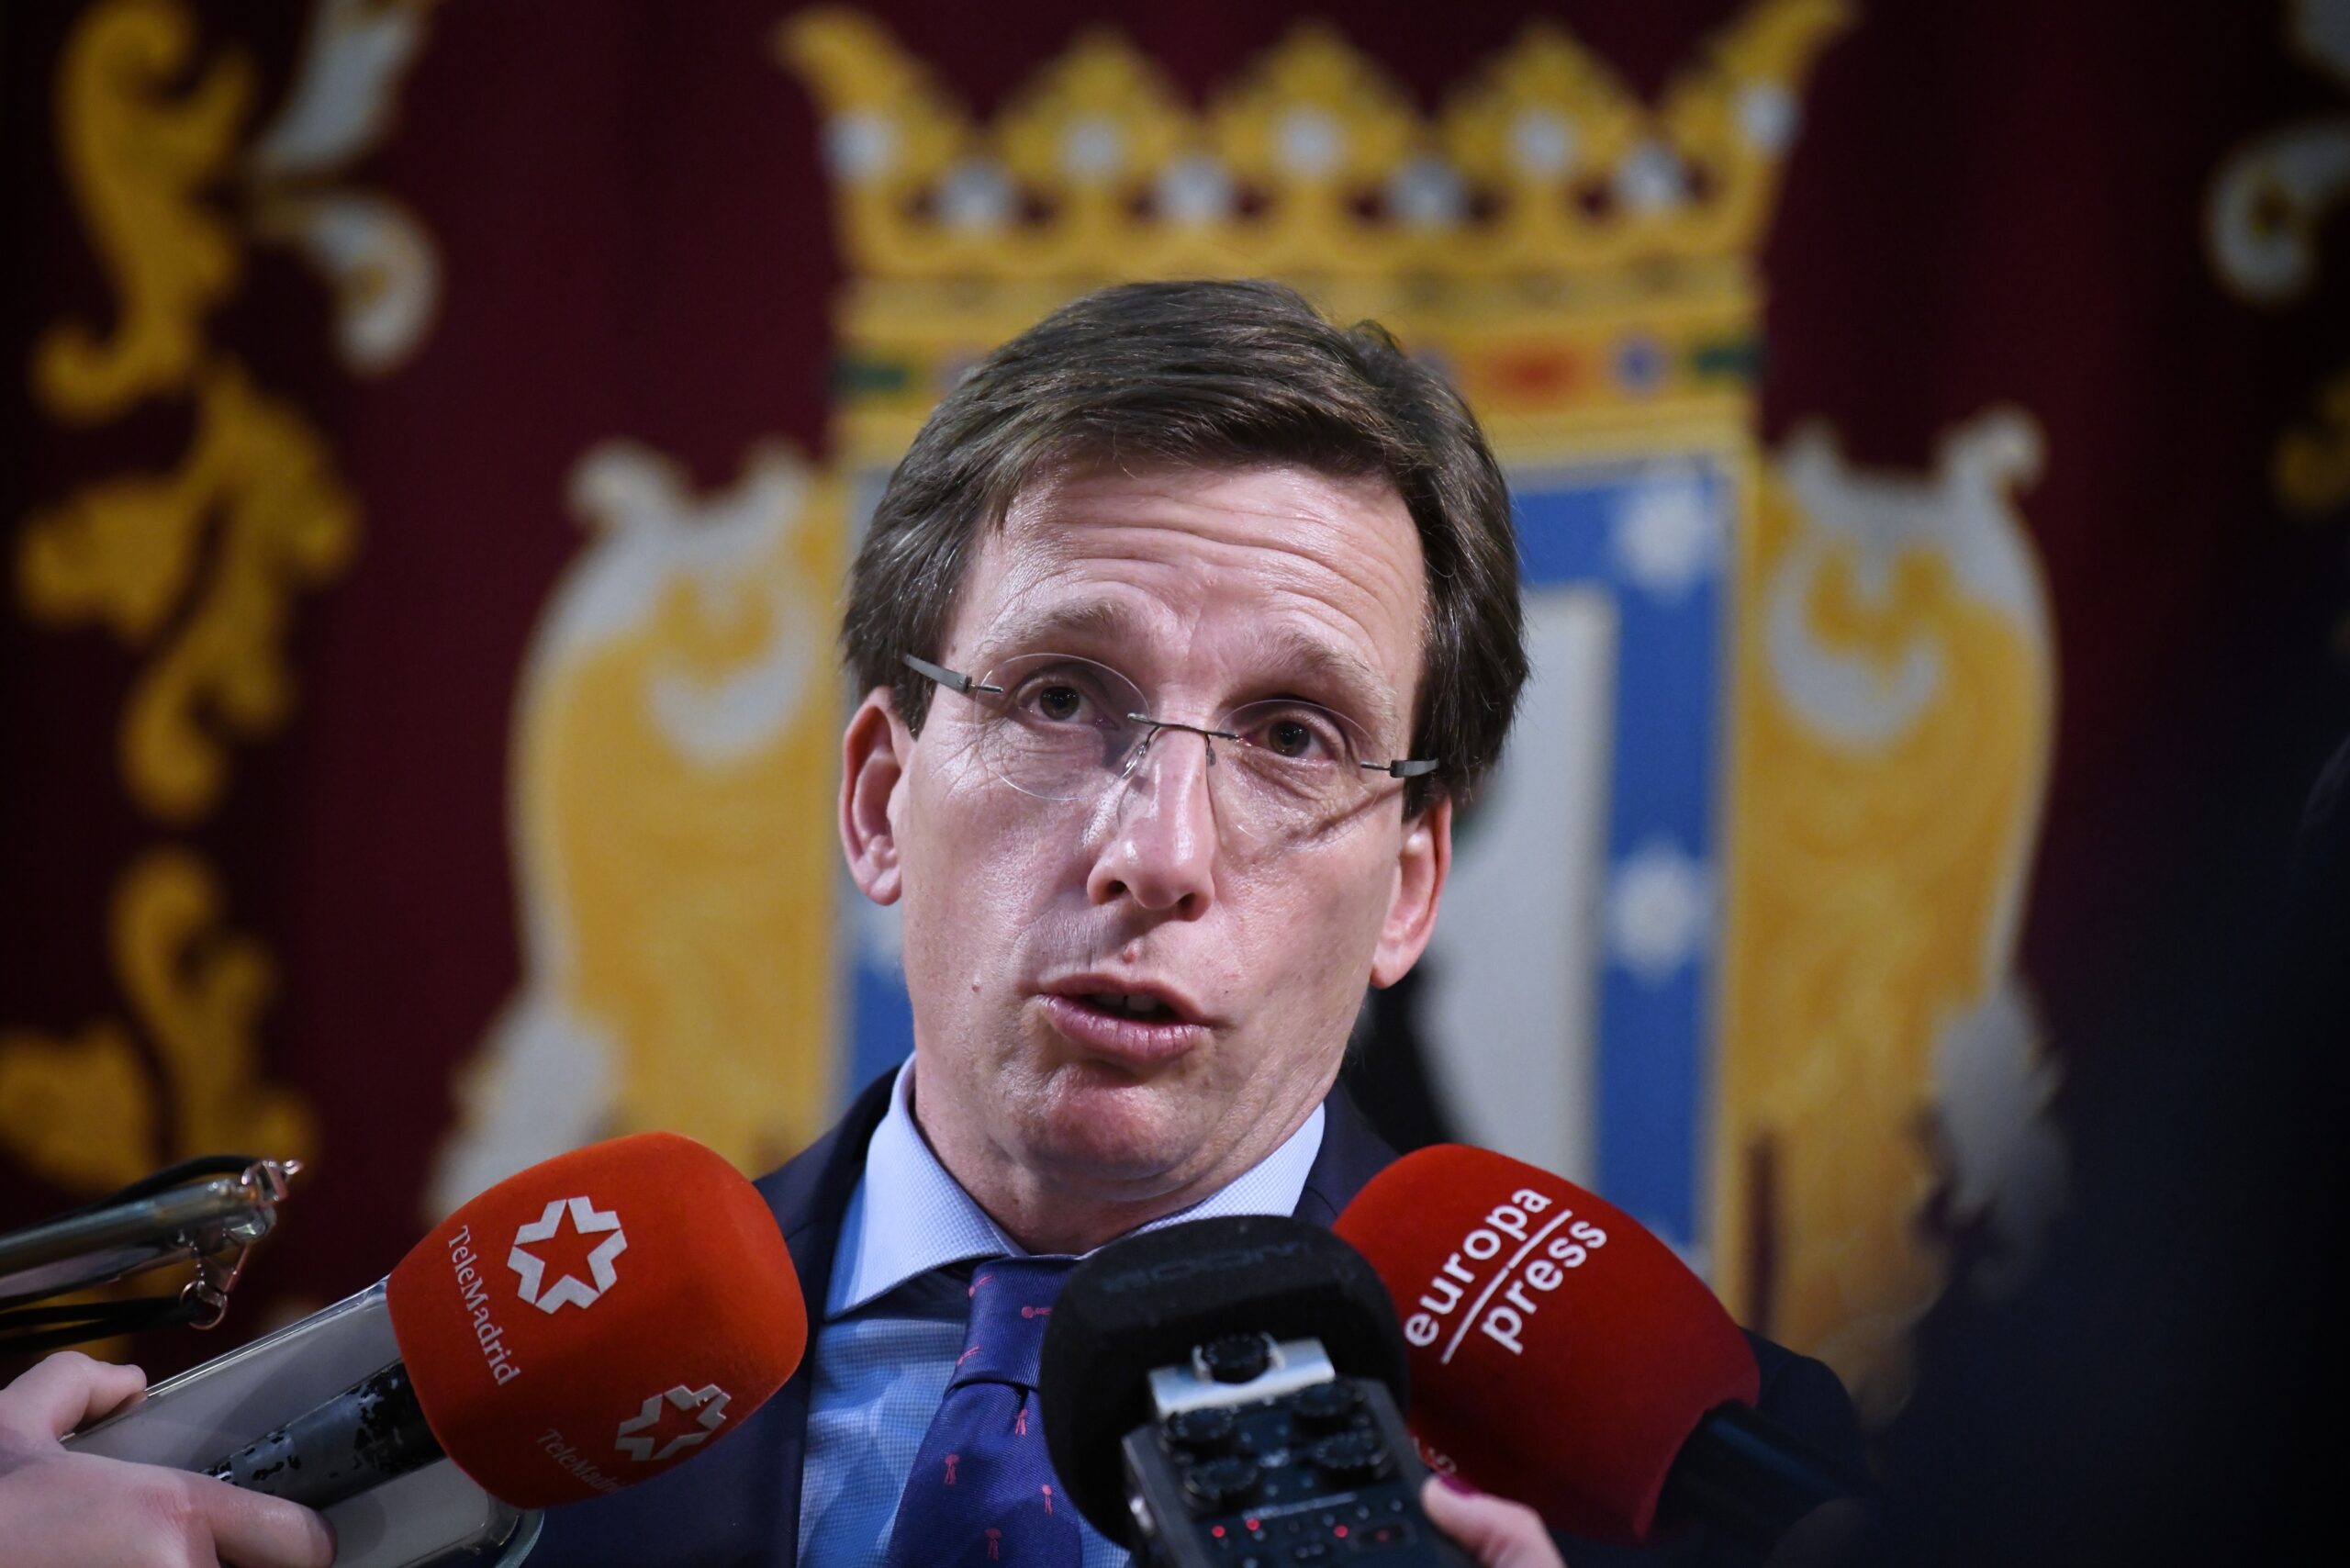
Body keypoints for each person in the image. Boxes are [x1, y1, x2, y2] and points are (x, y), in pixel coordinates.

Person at [0, 280, 1858, 1567]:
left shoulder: (1720, 1494)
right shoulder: (436, 1423)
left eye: (1294, 736)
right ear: (882, 796)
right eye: (1060, 695)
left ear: (1413, 884)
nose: (1156, 850)